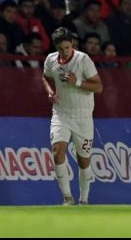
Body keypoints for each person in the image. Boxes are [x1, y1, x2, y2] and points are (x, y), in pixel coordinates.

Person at [42, 27, 103, 206]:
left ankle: (84, 200)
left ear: (72, 45)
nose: (65, 51)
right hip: (61, 114)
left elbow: (99, 87)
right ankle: (67, 198)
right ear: (56, 47)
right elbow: (44, 77)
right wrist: (50, 91)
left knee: (83, 161)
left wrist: (77, 82)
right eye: (61, 48)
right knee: (57, 151)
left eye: (67, 47)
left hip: (83, 116)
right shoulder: (50, 59)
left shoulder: (83, 60)